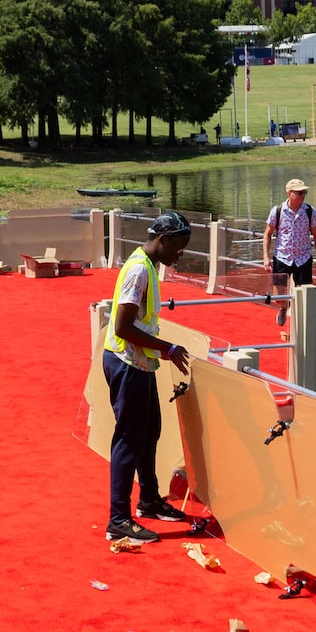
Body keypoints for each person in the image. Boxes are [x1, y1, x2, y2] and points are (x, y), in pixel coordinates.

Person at [103, 211, 196, 542]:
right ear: (163, 240)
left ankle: (149, 500)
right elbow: (122, 327)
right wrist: (168, 349)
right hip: (126, 363)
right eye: (179, 247)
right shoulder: (140, 269)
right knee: (129, 440)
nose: (180, 254)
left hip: (140, 363)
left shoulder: (149, 265)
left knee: (149, 432)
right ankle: (118, 520)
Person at [265, 178, 316, 325]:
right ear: (289, 193)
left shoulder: (309, 211)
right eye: (299, 193)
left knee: (304, 295)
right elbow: (267, 234)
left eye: (304, 192)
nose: (303, 195)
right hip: (282, 257)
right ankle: (283, 308)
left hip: (303, 258)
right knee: (279, 295)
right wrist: (266, 257)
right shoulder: (277, 211)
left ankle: (301, 324)